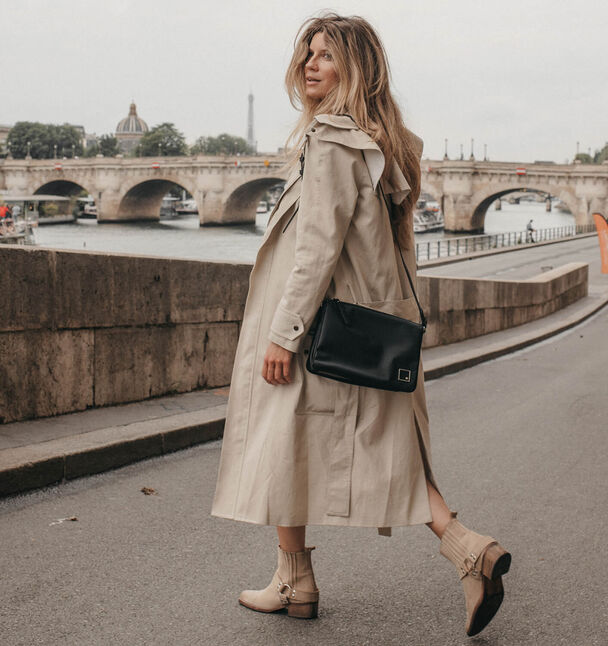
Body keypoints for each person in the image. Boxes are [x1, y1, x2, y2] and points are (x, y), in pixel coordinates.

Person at [211, 13, 511, 637]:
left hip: (319, 326)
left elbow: (317, 246)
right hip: (368, 324)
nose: (309, 63)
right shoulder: (385, 142)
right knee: (381, 445)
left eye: (326, 55)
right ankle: (462, 550)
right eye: (307, 52)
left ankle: (306, 578)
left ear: (356, 67)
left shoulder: (331, 140)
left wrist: (284, 333)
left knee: (283, 439)